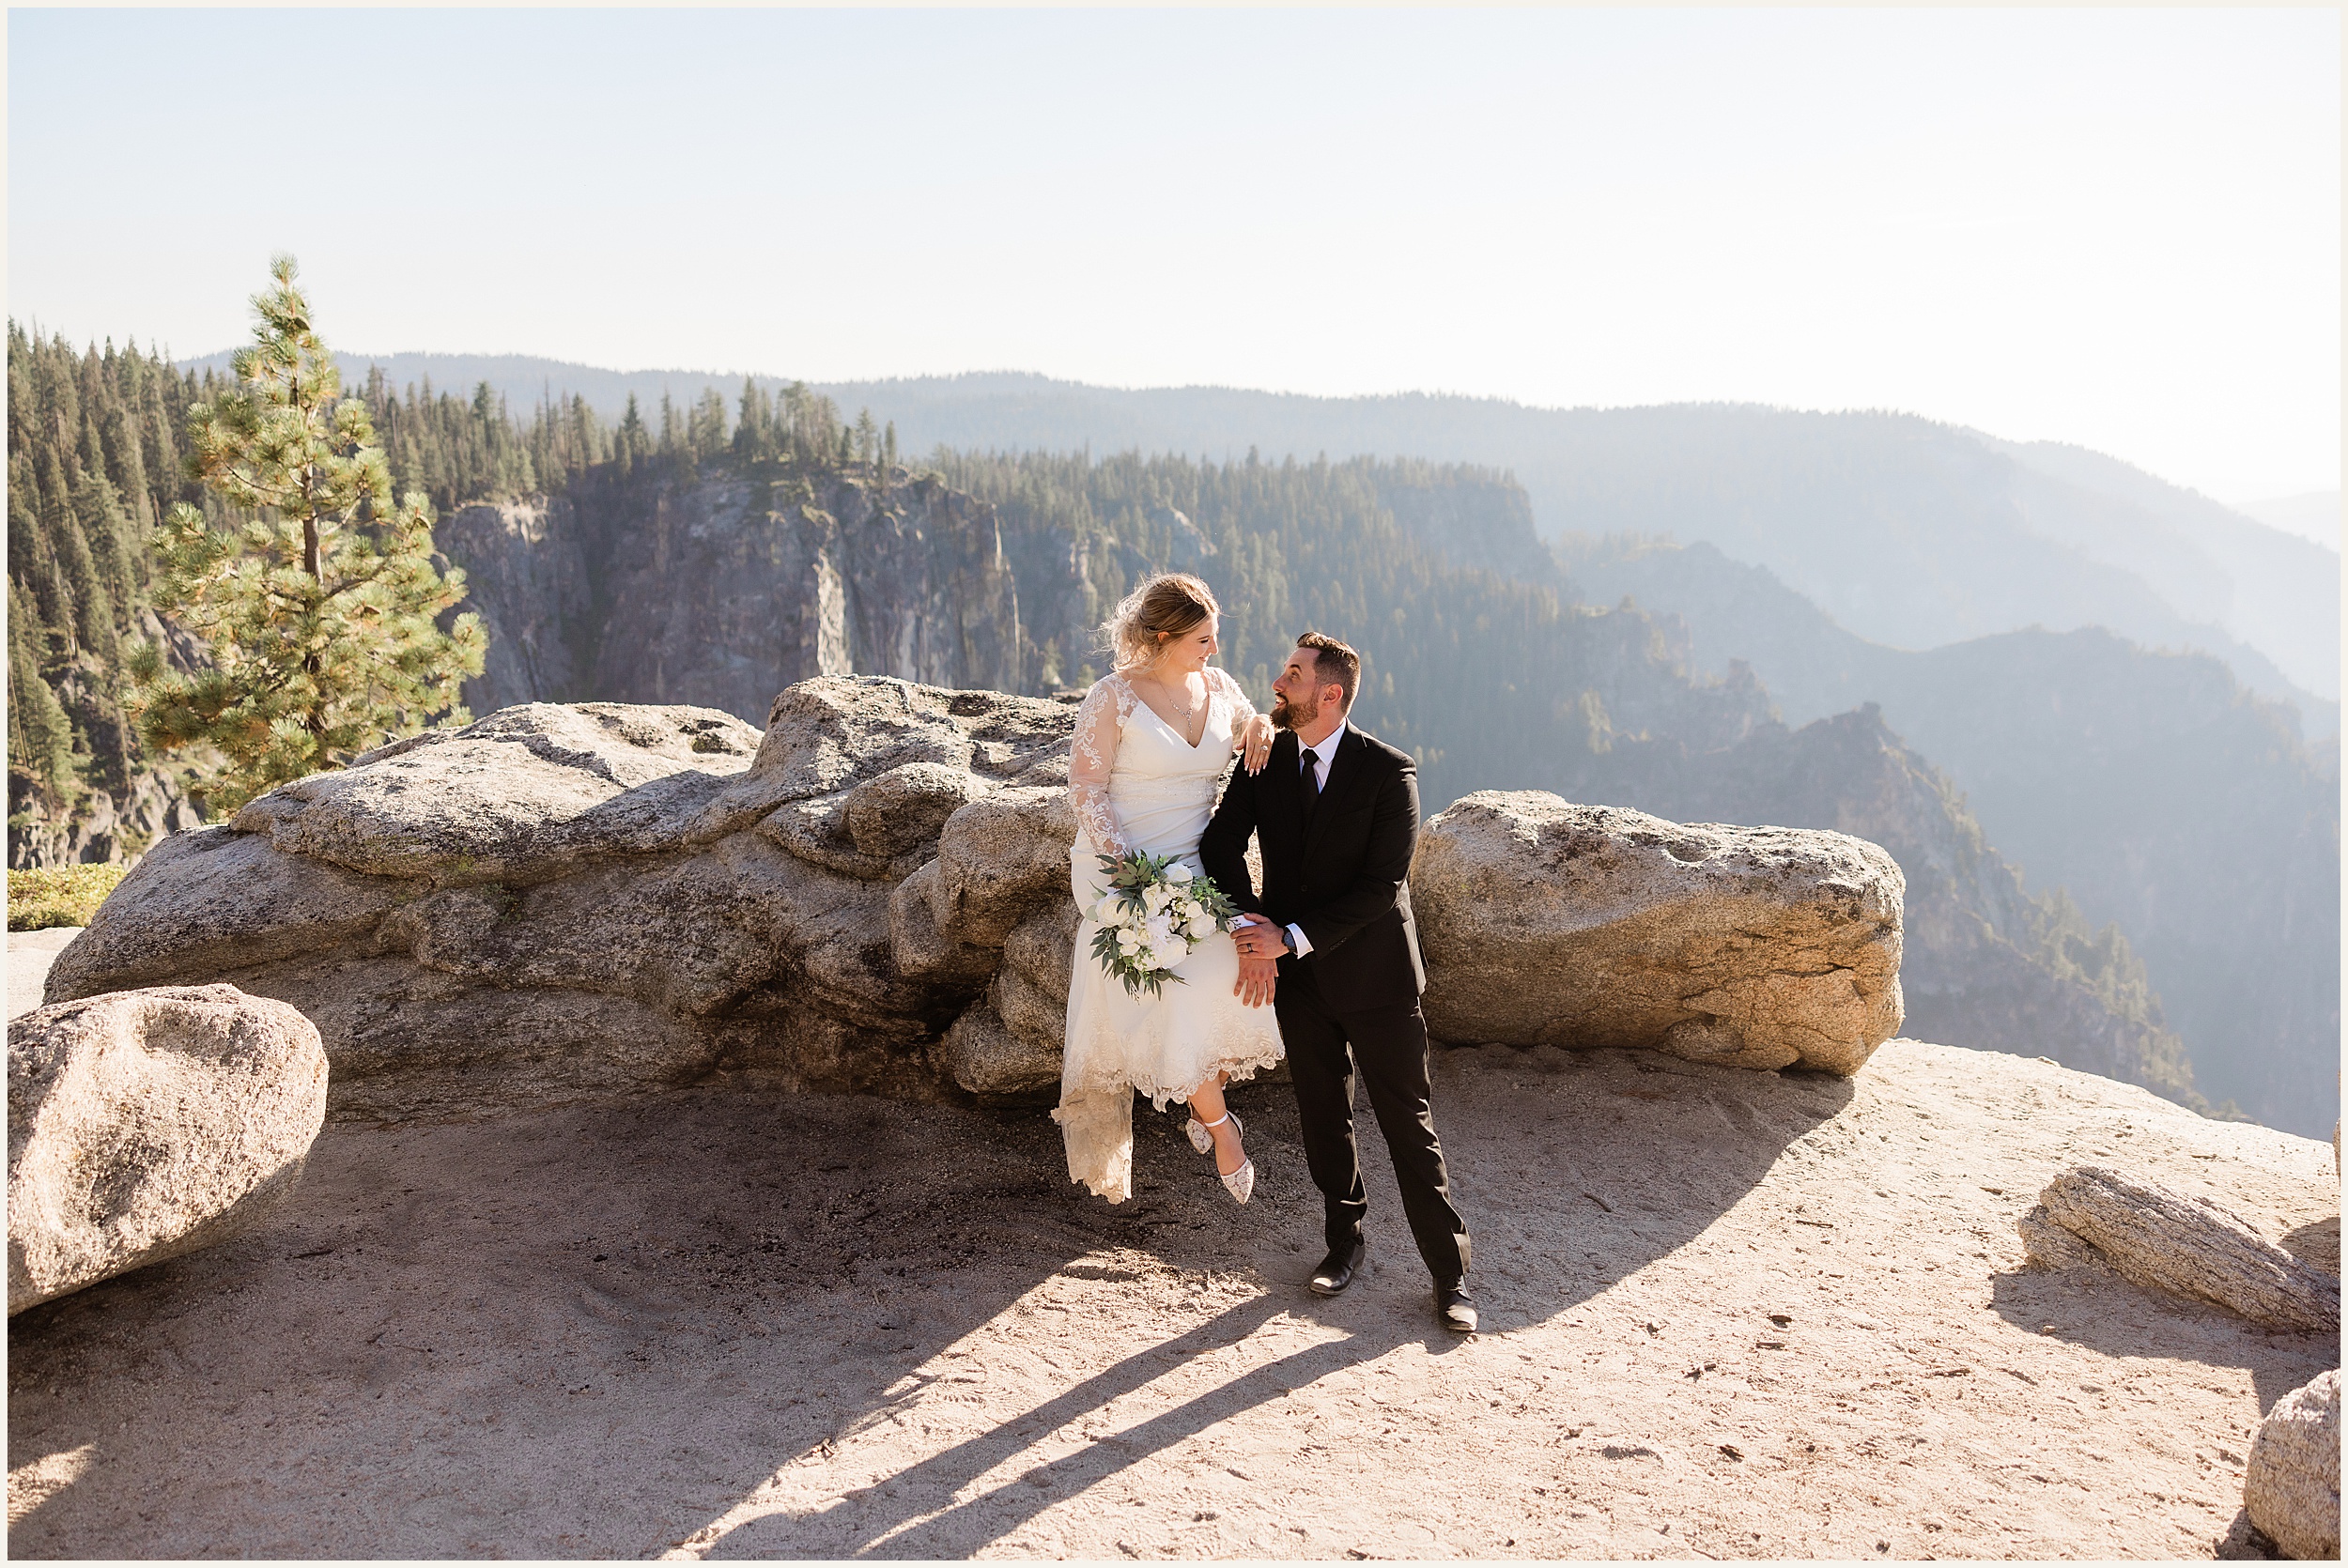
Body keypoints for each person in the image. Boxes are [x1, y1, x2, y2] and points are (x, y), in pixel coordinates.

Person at [1198, 633, 1476, 1332]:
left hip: (1377, 978)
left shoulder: (1390, 772)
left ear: (1330, 695)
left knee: (1408, 1126)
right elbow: (1218, 845)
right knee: (1324, 1119)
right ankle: (1342, 1243)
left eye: (1291, 674)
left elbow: (1382, 886)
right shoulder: (1266, 758)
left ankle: (1450, 1276)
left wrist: (1286, 939)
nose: (1278, 682)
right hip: (1299, 982)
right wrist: (1250, 928)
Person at [1054, 573, 1280, 1207]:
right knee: (1171, 994)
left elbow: (1247, 729)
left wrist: (1260, 723)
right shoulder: (1113, 697)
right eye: (1202, 639)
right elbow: (1086, 789)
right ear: (1163, 637)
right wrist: (1129, 873)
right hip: (1123, 865)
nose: (1212, 650)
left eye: (1215, 638)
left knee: (1232, 985)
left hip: (1201, 864)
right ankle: (1221, 1125)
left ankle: (1201, 1096)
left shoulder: (1220, 687)